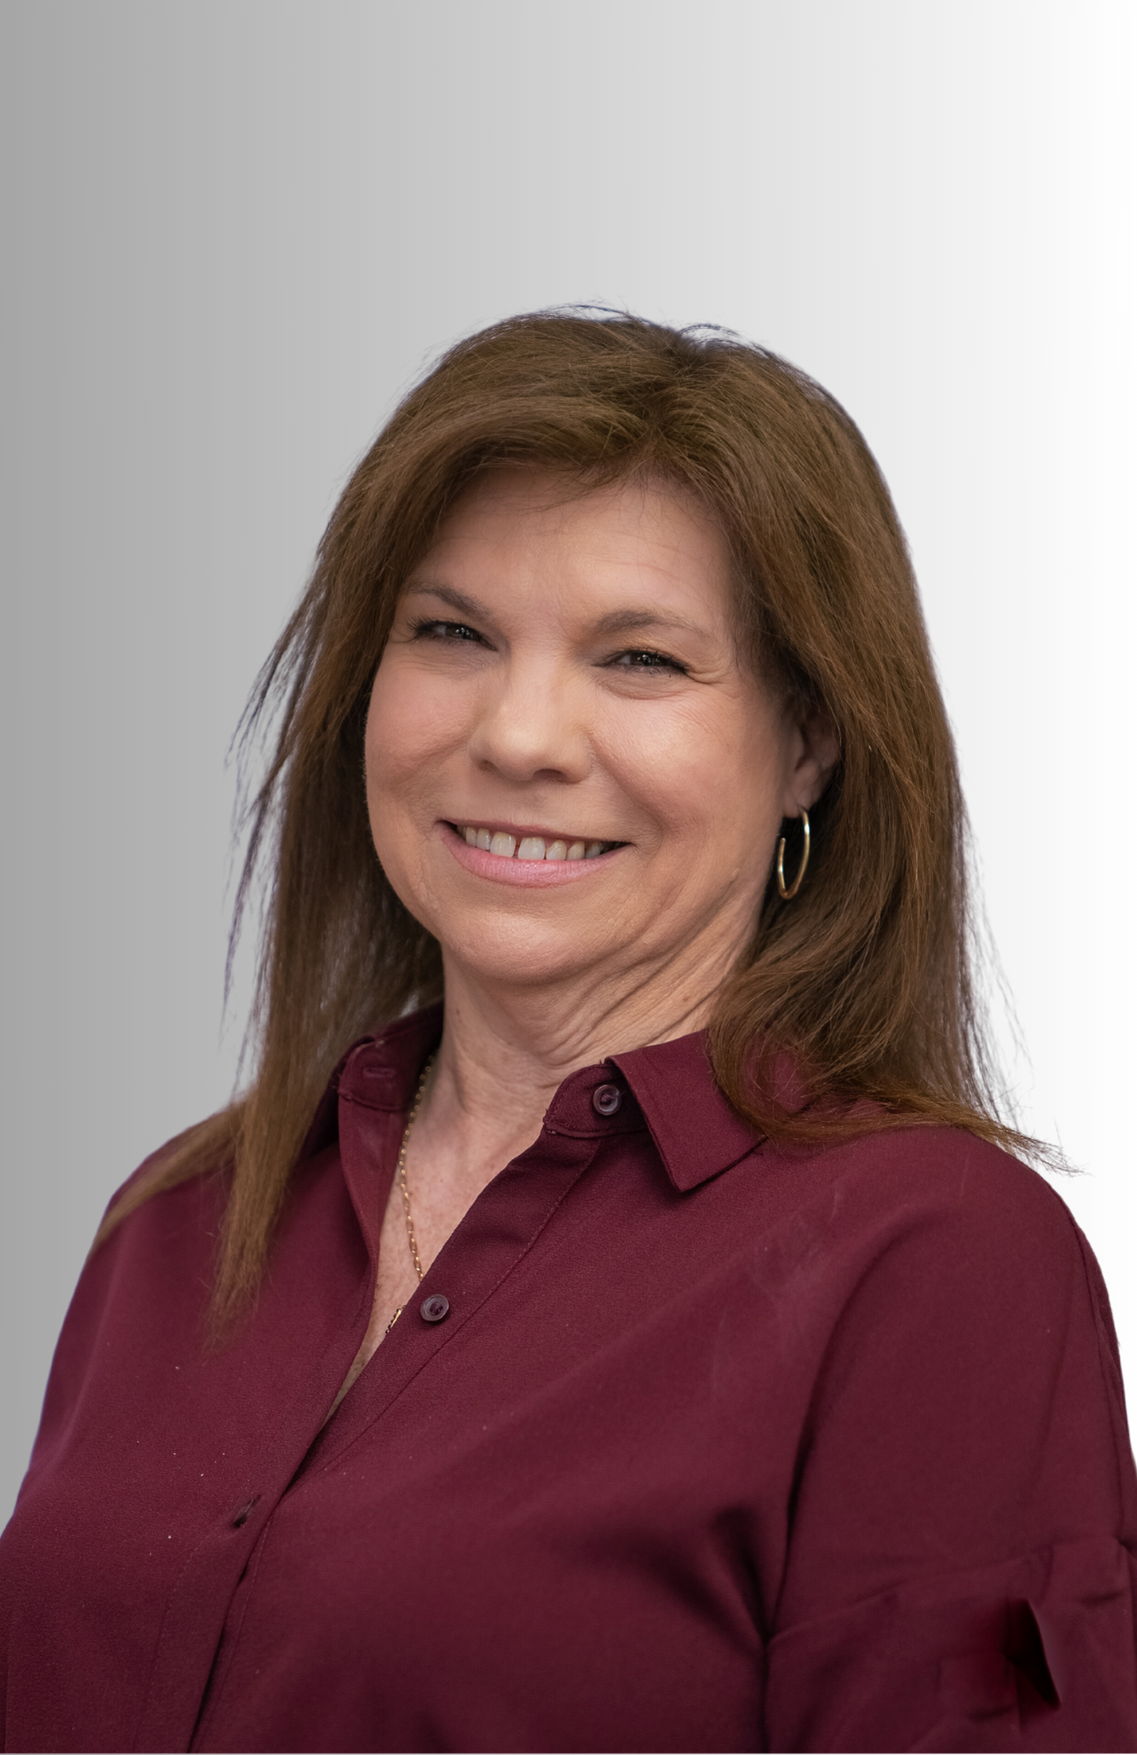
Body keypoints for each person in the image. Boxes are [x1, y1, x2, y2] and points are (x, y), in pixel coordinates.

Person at [1, 311, 1135, 1754]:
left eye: (642, 659)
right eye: (452, 633)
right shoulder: (177, 1221)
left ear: (808, 743)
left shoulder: (936, 1265)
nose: (522, 734)